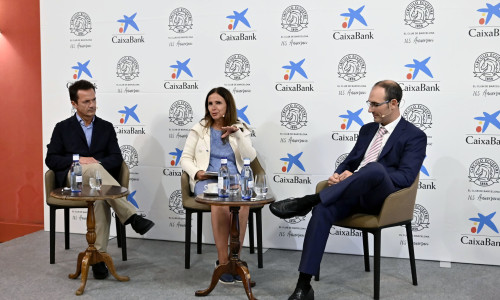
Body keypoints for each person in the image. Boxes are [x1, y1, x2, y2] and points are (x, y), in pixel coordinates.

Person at [269, 80, 427, 300]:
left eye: (375, 104)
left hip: (384, 200)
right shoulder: (368, 129)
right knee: (323, 210)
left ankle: (308, 201)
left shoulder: (414, 135)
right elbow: (351, 161)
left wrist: (361, 175)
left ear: (393, 103)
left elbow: (406, 176)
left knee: (375, 169)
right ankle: (304, 286)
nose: (370, 109)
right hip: (352, 193)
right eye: (369, 103)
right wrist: (339, 174)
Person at [45, 79, 155, 280]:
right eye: (86, 101)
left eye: (94, 100)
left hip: (98, 183)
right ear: (74, 104)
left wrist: (96, 164)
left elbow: (116, 158)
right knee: (94, 170)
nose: (92, 105)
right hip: (73, 180)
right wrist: (80, 160)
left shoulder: (106, 127)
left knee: (100, 199)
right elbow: (51, 159)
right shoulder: (62, 128)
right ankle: (131, 216)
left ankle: (98, 258)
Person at [180, 87, 256, 284]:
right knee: (218, 202)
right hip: (208, 179)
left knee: (242, 204)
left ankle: (235, 260)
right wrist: (197, 173)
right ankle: (223, 263)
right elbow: (185, 159)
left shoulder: (241, 127)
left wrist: (237, 135)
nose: (213, 108)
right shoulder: (200, 129)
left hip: (235, 180)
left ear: (227, 105)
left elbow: (250, 157)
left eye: (218, 103)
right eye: (210, 103)